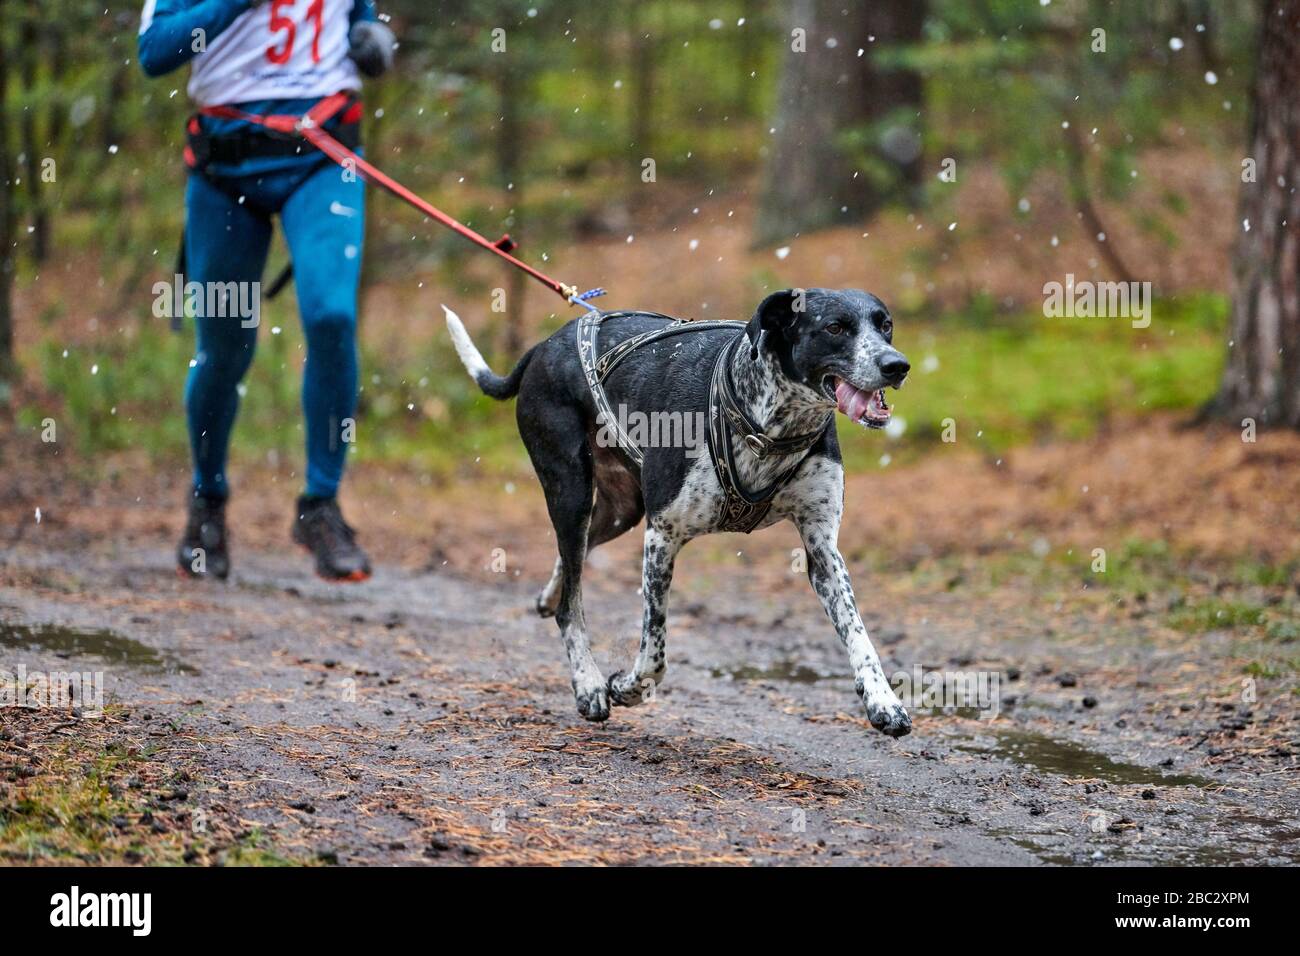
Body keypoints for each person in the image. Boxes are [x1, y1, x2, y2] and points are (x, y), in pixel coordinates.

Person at [137, 0, 395, 582]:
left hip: (324, 157)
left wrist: (375, 41)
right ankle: (208, 501)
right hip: (224, 170)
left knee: (331, 316)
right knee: (225, 349)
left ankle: (320, 505)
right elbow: (154, 54)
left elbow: (364, 19)